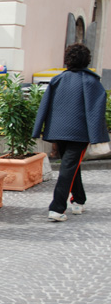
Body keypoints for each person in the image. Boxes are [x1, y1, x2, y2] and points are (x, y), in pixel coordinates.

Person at [32, 43, 109, 222]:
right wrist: (97, 137)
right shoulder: (92, 82)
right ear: (86, 61)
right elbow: (96, 111)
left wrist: (39, 129)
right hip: (79, 133)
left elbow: (45, 105)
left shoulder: (57, 79)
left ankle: (79, 200)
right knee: (68, 167)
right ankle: (57, 208)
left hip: (57, 130)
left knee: (71, 165)